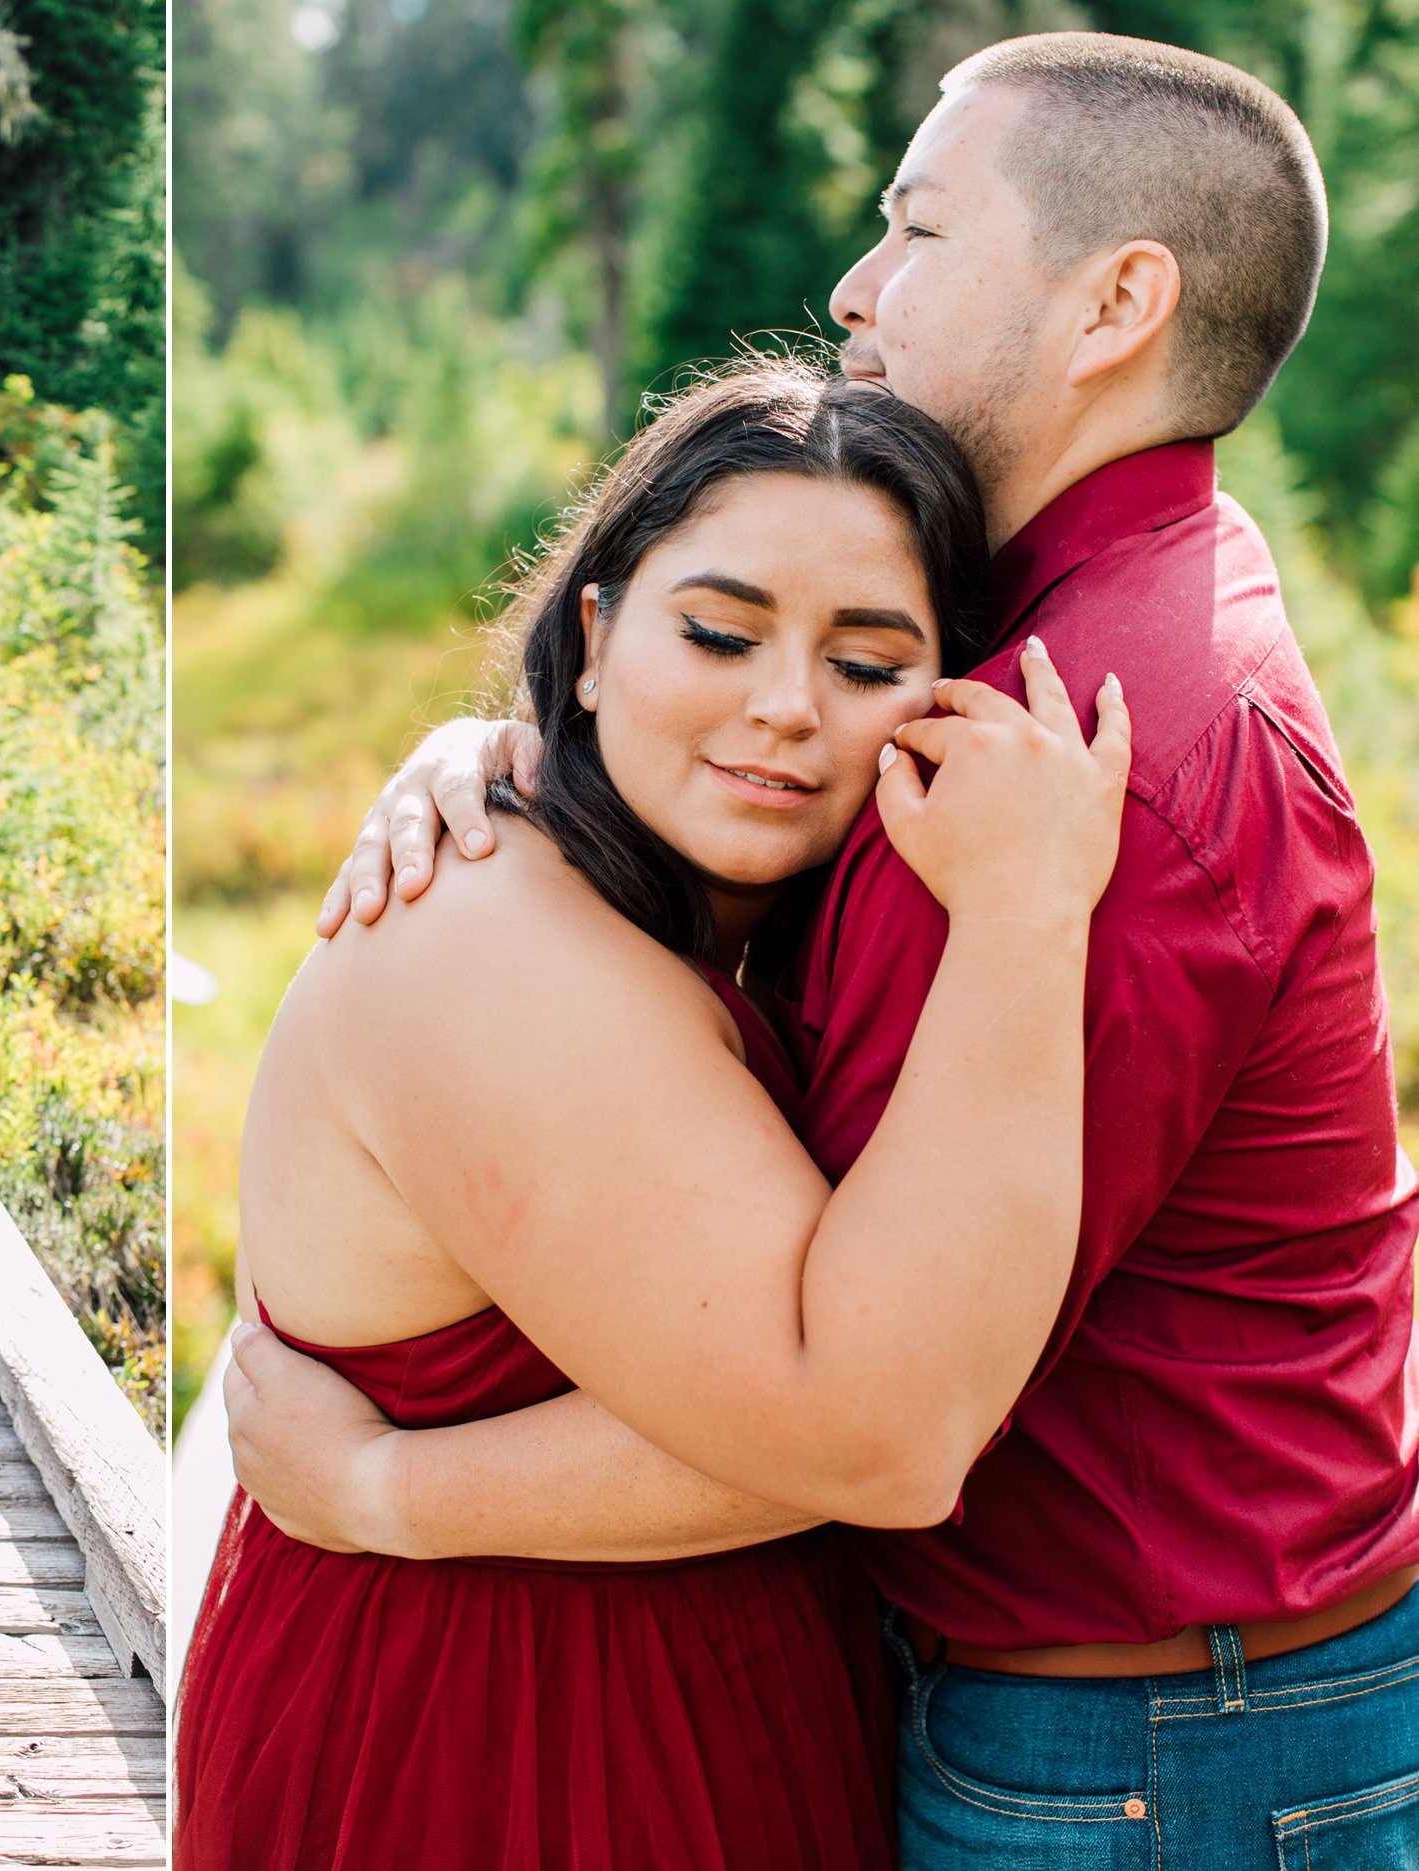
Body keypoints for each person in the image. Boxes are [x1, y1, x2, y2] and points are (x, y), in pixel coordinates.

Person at [231, 32, 1419, 1867]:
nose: (857, 288)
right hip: (1028, 1708)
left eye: (918, 228)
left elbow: (884, 1414)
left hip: (1155, 1741)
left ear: (1116, 302)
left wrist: (380, 1486)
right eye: (714, 635)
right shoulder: (1030, 659)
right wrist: (517, 749)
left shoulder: (1086, 756)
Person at [176, 360, 1134, 1870]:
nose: (782, 709)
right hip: (505, 1741)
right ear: (599, 631)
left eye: (866, 662)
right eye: (718, 630)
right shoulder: (494, 942)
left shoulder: (657, 904)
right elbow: (879, 1437)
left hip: (672, 1690)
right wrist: (1028, 909)